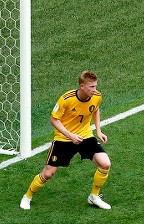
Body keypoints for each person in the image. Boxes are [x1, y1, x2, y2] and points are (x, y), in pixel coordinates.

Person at [20, 70, 112, 210]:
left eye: (95, 86)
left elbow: (96, 109)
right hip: (63, 138)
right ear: (82, 86)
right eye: (91, 87)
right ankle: (27, 197)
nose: (95, 89)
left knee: (105, 164)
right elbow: (53, 119)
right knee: (48, 173)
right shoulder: (66, 99)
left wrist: (98, 130)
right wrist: (70, 136)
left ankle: (94, 196)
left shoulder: (97, 96)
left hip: (85, 136)